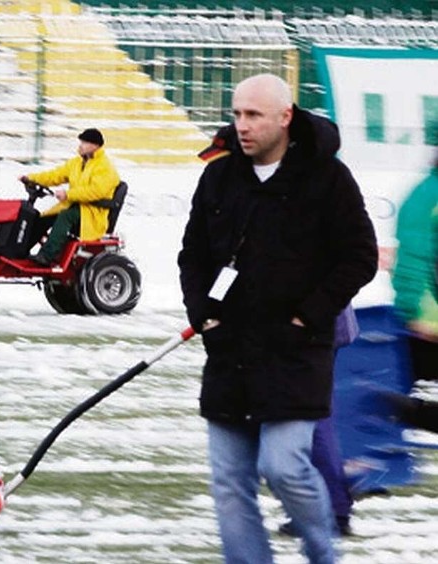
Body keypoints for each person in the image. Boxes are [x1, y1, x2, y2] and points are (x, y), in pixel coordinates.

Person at [178, 73, 378, 563]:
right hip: (229, 354)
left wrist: (308, 315)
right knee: (229, 482)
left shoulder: (328, 179)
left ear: (285, 118)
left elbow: (360, 256)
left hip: (294, 353)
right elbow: (193, 255)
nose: (241, 126)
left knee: (284, 466)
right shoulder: (218, 177)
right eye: (237, 114)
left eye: (253, 115)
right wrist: (202, 311)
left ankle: (321, 550)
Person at [280, 305, 358, 538]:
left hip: (309, 327)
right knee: (311, 418)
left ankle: (327, 509)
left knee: (310, 420)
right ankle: (325, 507)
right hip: (313, 324)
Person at [383, 153, 438, 430]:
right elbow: (413, 259)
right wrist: (418, 313)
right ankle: (401, 412)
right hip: (429, 317)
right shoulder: (428, 197)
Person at [18, 128, 120, 266]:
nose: (80, 145)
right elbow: (55, 175)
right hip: (76, 206)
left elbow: (96, 191)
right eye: (81, 142)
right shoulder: (76, 163)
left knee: (65, 216)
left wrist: (68, 194)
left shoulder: (105, 167)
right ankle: (20, 252)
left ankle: (47, 256)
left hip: (92, 212)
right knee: (42, 218)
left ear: (95, 146)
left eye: (84, 142)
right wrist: (31, 178)